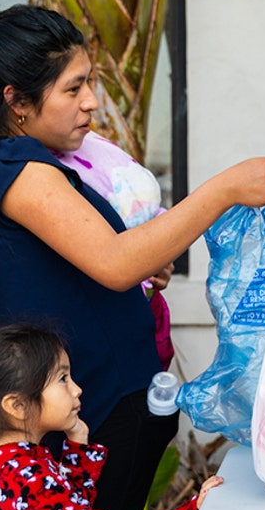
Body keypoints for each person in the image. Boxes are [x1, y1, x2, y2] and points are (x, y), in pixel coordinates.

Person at [0, 4, 265, 510]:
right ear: (17, 102)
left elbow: (80, 266)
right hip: (92, 414)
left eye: (90, 83)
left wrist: (145, 263)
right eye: (72, 89)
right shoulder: (17, 168)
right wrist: (226, 188)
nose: (91, 103)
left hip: (91, 410)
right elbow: (114, 263)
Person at [0, 323, 223, 510]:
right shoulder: (27, 479)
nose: (77, 390)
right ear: (17, 405)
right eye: (62, 379)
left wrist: (78, 448)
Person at [51, 130, 176, 369]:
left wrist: (157, 257)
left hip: (140, 322)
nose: (91, 103)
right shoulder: (30, 170)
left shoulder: (86, 143)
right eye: (72, 90)